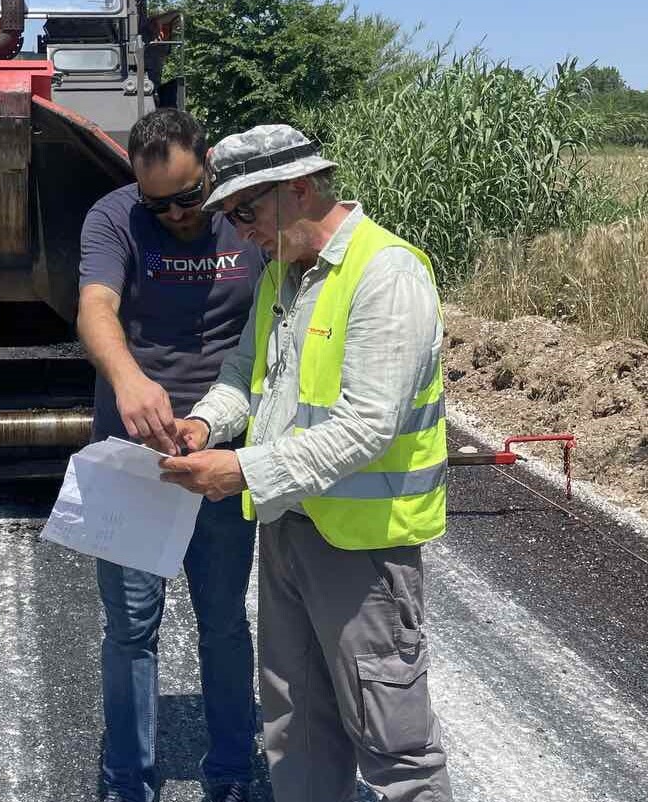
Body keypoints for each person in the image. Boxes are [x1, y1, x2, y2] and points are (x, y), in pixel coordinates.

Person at [158, 124, 452, 802]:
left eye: (246, 212)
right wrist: (204, 424)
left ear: (299, 189)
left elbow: (368, 425)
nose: (239, 231)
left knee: (395, 748)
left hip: (366, 551)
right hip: (290, 527)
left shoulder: (387, 273)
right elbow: (244, 370)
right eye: (230, 216)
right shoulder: (283, 276)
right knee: (297, 730)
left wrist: (243, 473)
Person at [78, 107, 265, 802]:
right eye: (159, 203)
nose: (178, 214)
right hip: (134, 459)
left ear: (208, 162)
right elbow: (96, 305)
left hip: (222, 457)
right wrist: (127, 379)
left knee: (222, 621)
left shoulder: (246, 222)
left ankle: (231, 772)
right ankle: (127, 780)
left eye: (190, 196)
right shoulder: (115, 217)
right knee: (130, 628)